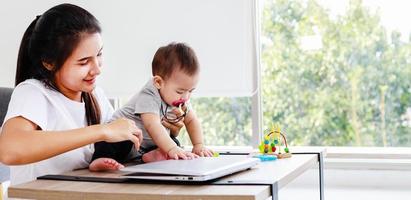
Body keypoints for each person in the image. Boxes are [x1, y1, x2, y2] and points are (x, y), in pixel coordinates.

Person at [0, 3, 148, 185]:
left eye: (99, 55)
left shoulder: (95, 96)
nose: (97, 69)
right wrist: (101, 131)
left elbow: (116, 148)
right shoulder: (33, 93)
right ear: (49, 62)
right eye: (84, 62)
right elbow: (10, 150)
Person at [90, 43, 214, 171]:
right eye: (180, 91)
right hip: (122, 137)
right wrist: (171, 149)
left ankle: (149, 156)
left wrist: (198, 145)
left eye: (191, 91)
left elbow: (191, 120)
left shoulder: (181, 97)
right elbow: (152, 125)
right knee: (121, 140)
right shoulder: (149, 94)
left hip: (144, 143)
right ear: (158, 82)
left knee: (174, 143)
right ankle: (100, 158)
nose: (186, 97)